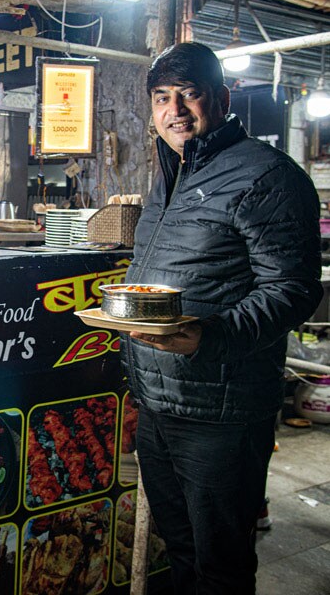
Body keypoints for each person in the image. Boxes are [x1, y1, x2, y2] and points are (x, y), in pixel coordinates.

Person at [122, 42, 322, 594]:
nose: (175, 110)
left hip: (221, 411)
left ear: (222, 98)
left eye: (190, 94)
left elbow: (295, 288)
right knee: (180, 548)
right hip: (159, 401)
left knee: (222, 565)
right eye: (162, 97)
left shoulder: (266, 176)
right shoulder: (170, 176)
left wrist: (212, 336)